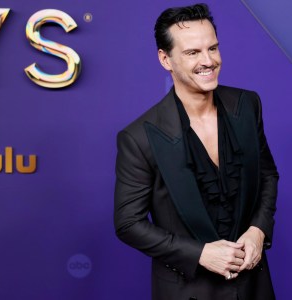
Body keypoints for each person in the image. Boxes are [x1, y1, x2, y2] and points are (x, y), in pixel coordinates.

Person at [114, 3, 279, 300]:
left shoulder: (247, 105)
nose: (209, 61)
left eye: (213, 48)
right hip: (187, 291)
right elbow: (129, 224)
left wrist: (258, 230)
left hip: (254, 287)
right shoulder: (139, 137)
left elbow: (267, 175)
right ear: (165, 59)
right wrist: (200, 253)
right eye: (193, 53)